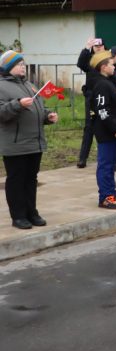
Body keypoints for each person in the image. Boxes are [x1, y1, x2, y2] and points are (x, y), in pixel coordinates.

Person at [0, 50, 59, 228]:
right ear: (9, 67)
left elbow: (39, 107)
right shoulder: (1, 86)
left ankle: (31, 212)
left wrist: (47, 116)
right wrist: (17, 104)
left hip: (34, 142)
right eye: (19, 64)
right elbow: (1, 112)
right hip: (15, 144)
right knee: (16, 180)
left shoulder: (30, 85)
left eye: (23, 64)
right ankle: (18, 216)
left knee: (31, 179)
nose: (23, 67)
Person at [88, 50, 116, 209]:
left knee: (111, 162)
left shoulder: (108, 82)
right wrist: (115, 129)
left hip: (112, 129)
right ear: (104, 67)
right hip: (105, 131)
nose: (114, 67)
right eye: (112, 64)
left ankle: (111, 191)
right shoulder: (101, 85)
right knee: (105, 164)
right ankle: (105, 196)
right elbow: (102, 110)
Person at [75, 37, 105, 168]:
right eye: (95, 46)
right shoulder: (90, 61)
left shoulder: (108, 60)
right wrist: (86, 48)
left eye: (100, 46)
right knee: (89, 128)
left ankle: (114, 156)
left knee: (108, 126)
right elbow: (81, 64)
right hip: (92, 99)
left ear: (104, 47)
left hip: (106, 98)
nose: (98, 48)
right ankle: (82, 158)